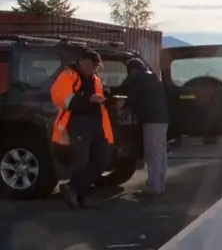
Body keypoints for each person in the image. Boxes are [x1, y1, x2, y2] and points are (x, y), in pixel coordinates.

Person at [50, 49, 113, 209]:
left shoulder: (95, 79)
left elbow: (99, 99)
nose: (96, 68)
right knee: (82, 159)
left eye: (97, 66)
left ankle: (75, 189)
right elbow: (61, 97)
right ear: (84, 62)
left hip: (96, 124)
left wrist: (109, 99)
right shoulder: (68, 75)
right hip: (77, 123)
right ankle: (80, 195)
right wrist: (87, 99)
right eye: (94, 64)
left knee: (102, 158)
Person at [118, 58, 170, 197]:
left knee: (153, 153)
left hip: (151, 120)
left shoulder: (139, 78)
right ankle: (158, 184)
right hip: (162, 119)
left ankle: (155, 187)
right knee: (160, 152)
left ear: (133, 70)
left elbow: (127, 92)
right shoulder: (152, 78)